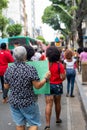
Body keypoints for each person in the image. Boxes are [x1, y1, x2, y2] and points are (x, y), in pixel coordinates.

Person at [4, 46, 51, 130]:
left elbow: (6, 86)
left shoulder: (9, 69)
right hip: (28, 101)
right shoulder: (30, 69)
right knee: (33, 124)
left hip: (14, 101)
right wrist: (46, 78)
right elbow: (37, 86)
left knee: (19, 124)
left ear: (14, 56)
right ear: (25, 55)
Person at [44, 46, 66, 130]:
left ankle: (47, 124)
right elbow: (63, 78)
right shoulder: (60, 65)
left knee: (48, 104)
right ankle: (57, 119)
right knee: (57, 103)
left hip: (48, 85)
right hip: (58, 86)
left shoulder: (46, 65)